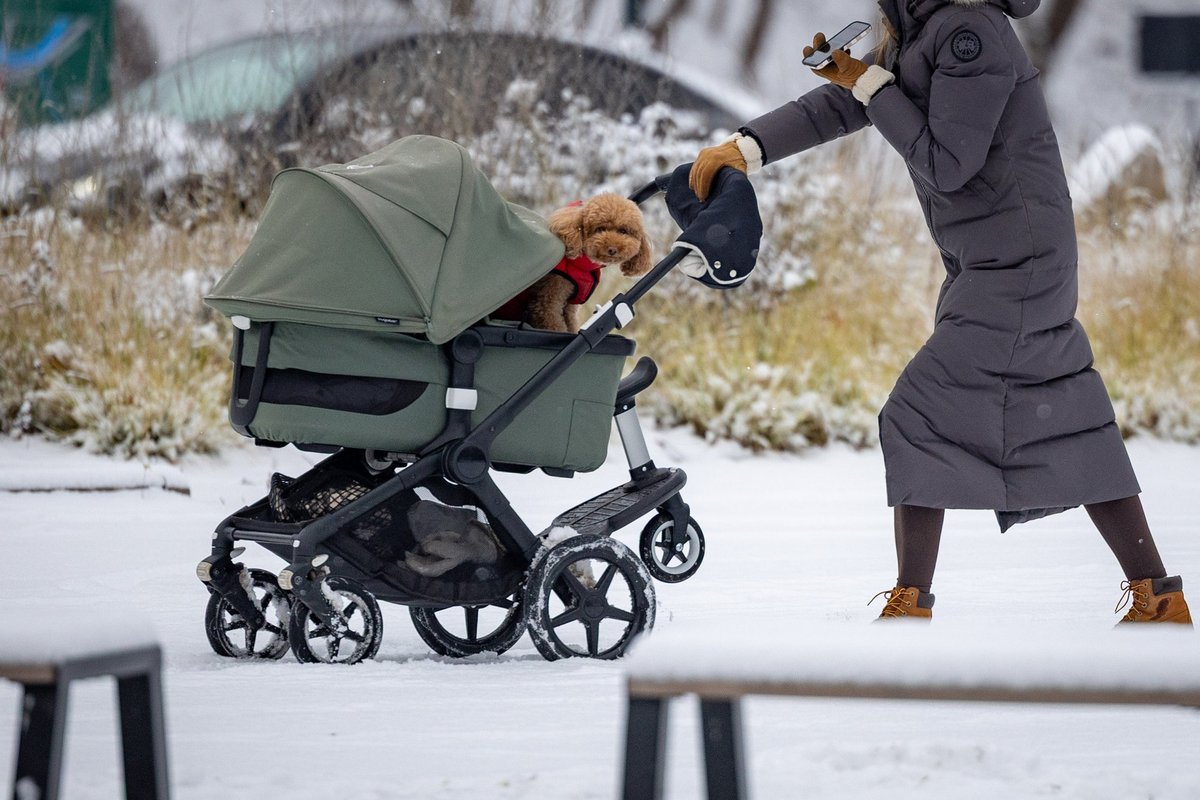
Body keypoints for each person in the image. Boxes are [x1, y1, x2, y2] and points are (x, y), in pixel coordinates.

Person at [687, 0, 1191, 623]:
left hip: (1016, 264)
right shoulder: (922, 28)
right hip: (995, 260)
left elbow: (948, 165)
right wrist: (747, 147)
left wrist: (868, 84)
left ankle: (911, 602)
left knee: (917, 412)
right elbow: (848, 103)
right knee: (1063, 418)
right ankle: (1157, 592)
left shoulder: (968, 32)